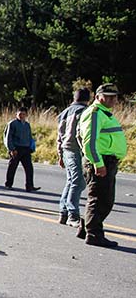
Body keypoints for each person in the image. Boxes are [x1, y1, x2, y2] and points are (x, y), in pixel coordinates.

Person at [76, 84, 128, 248]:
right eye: (108, 96)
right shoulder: (95, 113)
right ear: (99, 97)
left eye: (114, 96)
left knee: (102, 200)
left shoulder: (104, 114)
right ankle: (94, 234)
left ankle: (87, 227)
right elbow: (89, 142)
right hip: (101, 161)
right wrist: (98, 163)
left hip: (107, 161)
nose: (113, 99)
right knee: (101, 200)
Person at [56, 88, 91, 226]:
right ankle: (72, 214)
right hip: (76, 149)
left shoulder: (64, 112)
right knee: (79, 181)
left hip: (66, 149)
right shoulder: (84, 111)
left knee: (71, 181)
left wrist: (60, 154)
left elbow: (59, 135)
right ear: (88, 99)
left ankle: (63, 212)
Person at [4, 108, 40, 192]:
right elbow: (8, 137)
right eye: (20, 114)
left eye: (23, 114)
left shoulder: (27, 125)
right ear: (16, 114)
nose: (22, 116)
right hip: (16, 148)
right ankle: (8, 184)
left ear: (26, 115)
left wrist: (31, 147)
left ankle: (30, 186)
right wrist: (11, 149)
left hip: (26, 149)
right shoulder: (12, 124)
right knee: (12, 167)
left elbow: (29, 136)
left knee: (29, 168)